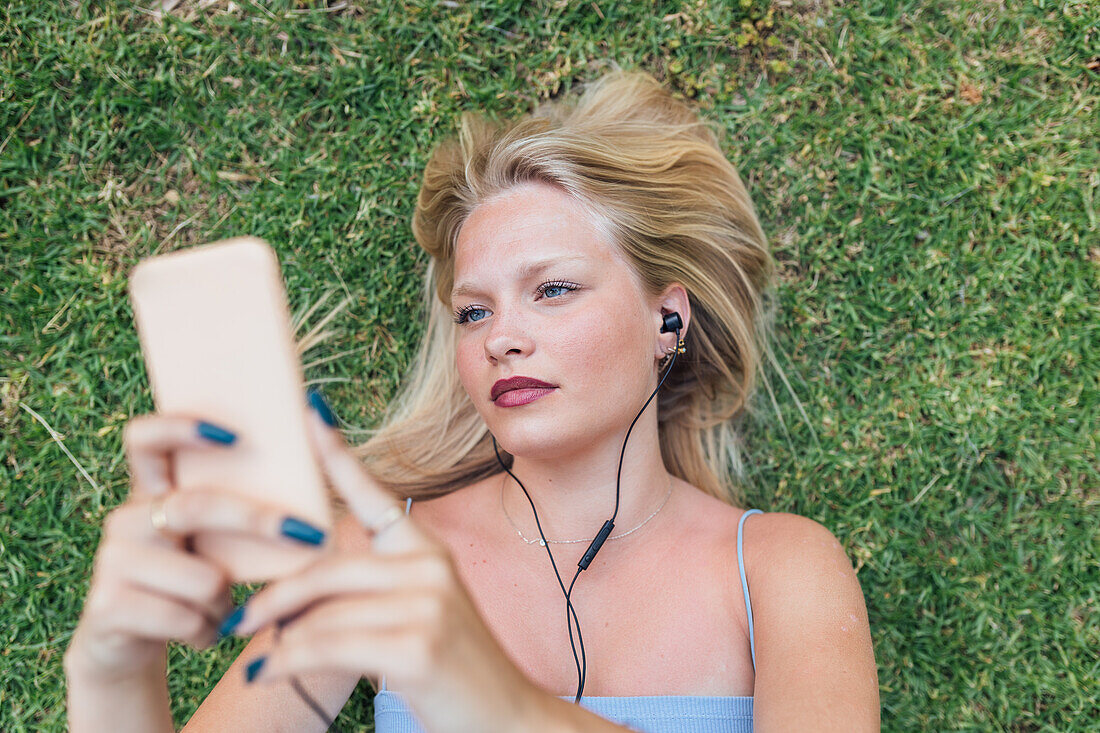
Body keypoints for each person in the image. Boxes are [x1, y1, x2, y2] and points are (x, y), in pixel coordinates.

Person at [64, 69, 880, 732]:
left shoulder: (780, 569)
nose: (502, 338)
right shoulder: (384, 553)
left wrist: (486, 691)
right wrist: (109, 670)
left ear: (667, 317)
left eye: (553, 289)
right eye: (474, 310)